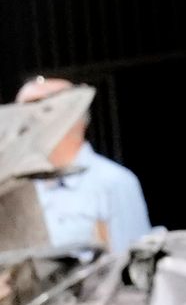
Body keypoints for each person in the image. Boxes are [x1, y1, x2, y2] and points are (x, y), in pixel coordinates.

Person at [17, 75, 151, 260]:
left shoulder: (113, 182)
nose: (23, 120)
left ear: (71, 114)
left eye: (37, 106)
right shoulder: (17, 188)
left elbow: (136, 269)